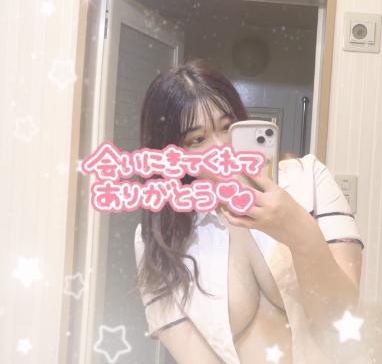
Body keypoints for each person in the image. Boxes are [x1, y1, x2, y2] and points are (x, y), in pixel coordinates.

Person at [133, 59, 369, 363]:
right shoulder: (158, 236)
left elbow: (339, 317)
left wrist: (297, 229)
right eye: (197, 139)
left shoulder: (310, 180)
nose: (222, 148)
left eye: (227, 127)